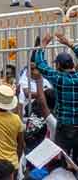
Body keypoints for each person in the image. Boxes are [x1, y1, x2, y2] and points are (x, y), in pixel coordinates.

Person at [34, 32, 78, 160]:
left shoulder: (58, 78)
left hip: (65, 126)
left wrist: (43, 45)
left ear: (58, 65)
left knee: (63, 159)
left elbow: (40, 64)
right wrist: (70, 44)